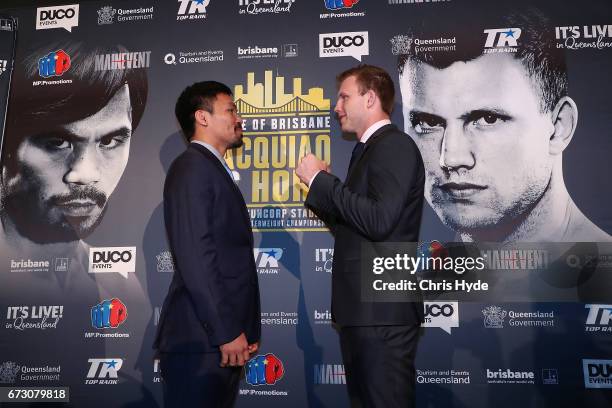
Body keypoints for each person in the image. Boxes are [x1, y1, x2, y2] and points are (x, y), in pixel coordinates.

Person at [395, 8, 612, 243]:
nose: (451, 159)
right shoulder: (421, 274)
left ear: (559, 127)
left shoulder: (602, 274)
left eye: (488, 119)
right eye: (428, 123)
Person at [296, 65, 425, 408]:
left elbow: (380, 221)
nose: (336, 106)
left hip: (381, 313)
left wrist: (323, 182)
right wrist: (319, 188)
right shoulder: (368, 151)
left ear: (370, 99)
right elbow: (355, 229)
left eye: (344, 96)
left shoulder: (393, 145)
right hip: (365, 313)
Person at [154, 81, 261, 407]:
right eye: (230, 110)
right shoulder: (192, 168)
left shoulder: (210, 169)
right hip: (202, 341)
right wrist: (226, 331)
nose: (238, 118)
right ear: (202, 117)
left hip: (215, 341)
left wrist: (241, 330)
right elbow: (197, 259)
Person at [0, 41, 148, 267]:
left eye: (108, 141)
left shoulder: (121, 288)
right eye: (57, 143)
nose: (84, 174)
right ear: (8, 151)